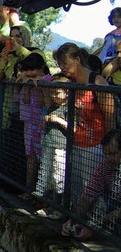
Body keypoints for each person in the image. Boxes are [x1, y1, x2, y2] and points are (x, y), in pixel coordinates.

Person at [54, 43, 114, 206]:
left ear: (77, 60)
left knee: (91, 191)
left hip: (96, 146)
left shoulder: (97, 82)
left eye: (65, 63)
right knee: (76, 189)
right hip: (78, 142)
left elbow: (110, 116)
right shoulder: (71, 81)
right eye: (60, 64)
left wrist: (107, 147)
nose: (62, 67)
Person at [62, 129, 121, 241]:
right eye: (106, 154)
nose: (108, 158)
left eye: (113, 154)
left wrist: (95, 227)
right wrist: (72, 220)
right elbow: (89, 194)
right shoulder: (105, 166)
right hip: (114, 207)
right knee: (97, 202)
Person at [34, 73, 71, 220]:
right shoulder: (53, 107)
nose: (54, 96)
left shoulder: (69, 107)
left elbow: (72, 127)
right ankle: (50, 205)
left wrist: (57, 120)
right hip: (49, 145)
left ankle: (60, 208)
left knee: (59, 177)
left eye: (57, 93)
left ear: (67, 93)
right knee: (49, 176)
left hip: (61, 147)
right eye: (52, 93)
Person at [15, 53, 51, 197]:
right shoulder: (27, 81)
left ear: (42, 67)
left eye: (33, 69)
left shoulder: (48, 80)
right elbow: (19, 99)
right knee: (31, 157)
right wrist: (23, 85)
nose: (30, 73)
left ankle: (43, 195)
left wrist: (40, 87)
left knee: (44, 159)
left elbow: (47, 103)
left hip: (42, 125)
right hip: (29, 124)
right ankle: (29, 190)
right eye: (27, 70)